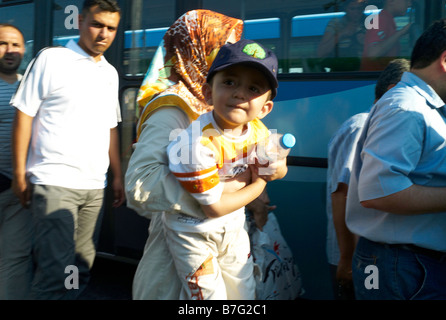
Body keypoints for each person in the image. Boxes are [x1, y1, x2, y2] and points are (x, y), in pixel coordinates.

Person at [125, 10, 245, 300]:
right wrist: (214, 194)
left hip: (218, 247)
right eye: (222, 48)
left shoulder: (211, 105)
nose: (230, 57)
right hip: (176, 268)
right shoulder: (172, 109)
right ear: (196, 50)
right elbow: (139, 185)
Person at [11, 0, 124, 300]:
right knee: (55, 271)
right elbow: (24, 114)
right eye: (97, 24)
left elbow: (111, 127)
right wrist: (19, 172)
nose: (104, 34)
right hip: (54, 182)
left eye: (111, 28)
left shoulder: (110, 73)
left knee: (80, 266)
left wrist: (117, 176)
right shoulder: (52, 59)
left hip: (94, 186)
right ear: (80, 21)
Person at [165, 39, 287, 300]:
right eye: (230, 82)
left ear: (265, 108)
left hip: (232, 227)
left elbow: (277, 169)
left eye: (253, 88)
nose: (240, 94)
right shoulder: (194, 143)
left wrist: (277, 164)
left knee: (243, 293)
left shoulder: (257, 130)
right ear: (208, 93)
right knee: (209, 298)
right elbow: (214, 207)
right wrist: (260, 184)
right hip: (193, 233)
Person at [345, 19, 446, 300]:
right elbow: (380, 192)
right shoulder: (405, 107)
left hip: (407, 266)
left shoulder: (425, 107)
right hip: (402, 267)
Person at [326, 58, 409, 300]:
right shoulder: (362, 126)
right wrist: (346, 258)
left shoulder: (384, 127)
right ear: (393, 91)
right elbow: (342, 193)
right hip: (355, 257)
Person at [0, 23, 32, 300]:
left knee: (15, 259)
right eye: (3, 44)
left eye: (16, 45)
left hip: (19, 190)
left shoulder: (29, 87)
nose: (10, 51)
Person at [361, 0, 412, 71]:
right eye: (407, 1)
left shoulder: (388, 20)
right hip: (373, 78)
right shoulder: (380, 20)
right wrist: (401, 32)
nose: (409, 4)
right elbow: (373, 53)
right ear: (391, 1)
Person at [317, 0, 367, 71]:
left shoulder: (371, 25)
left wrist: (367, 41)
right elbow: (321, 53)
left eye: (359, 9)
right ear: (345, 8)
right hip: (341, 72)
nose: (356, 12)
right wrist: (342, 34)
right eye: (352, 9)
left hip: (365, 72)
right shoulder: (335, 24)